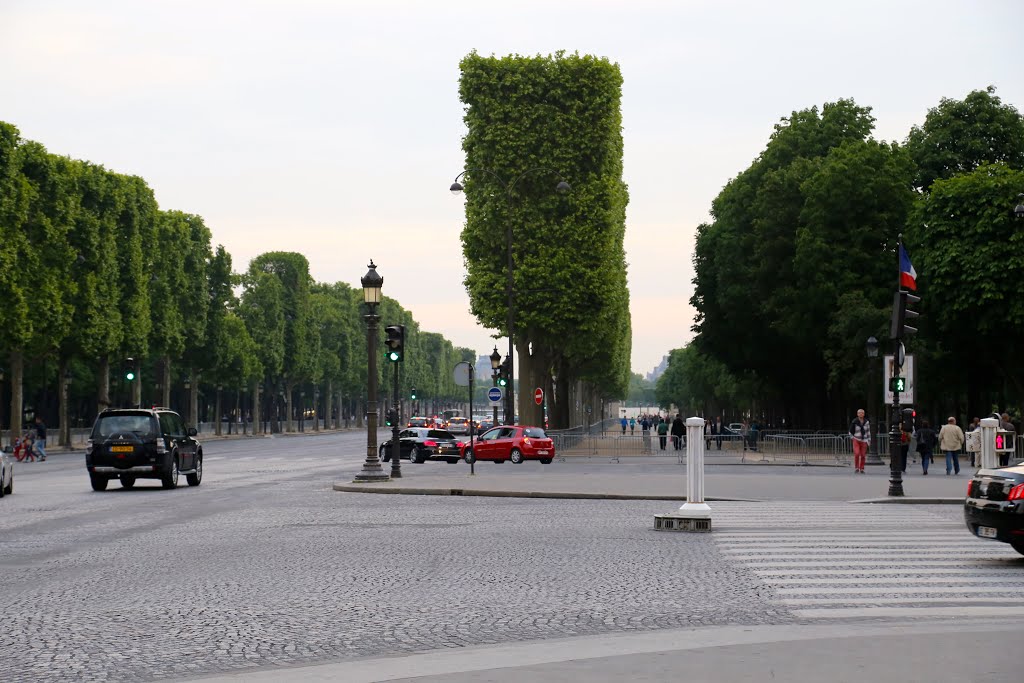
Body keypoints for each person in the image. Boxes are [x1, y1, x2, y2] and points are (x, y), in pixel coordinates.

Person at [849, 408, 870, 473]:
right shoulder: (854, 421)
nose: (861, 414)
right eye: (859, 413)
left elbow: (868, 431)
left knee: (863, 455)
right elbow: (850, 431)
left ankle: (862, 468)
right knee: (857, 453)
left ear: (864, 414)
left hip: (864, 440)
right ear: (857, 414)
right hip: (856, 439)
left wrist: (869, 440)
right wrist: (852, 438)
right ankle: (856, 467)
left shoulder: (867, 422)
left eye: (862, 413)